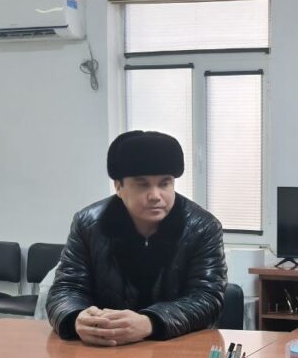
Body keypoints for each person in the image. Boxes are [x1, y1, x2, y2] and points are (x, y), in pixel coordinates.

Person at [46, 130, 227, 346]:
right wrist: (77, 318)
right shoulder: (88, 224)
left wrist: (150, 322)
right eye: (143, 185)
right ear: (118, 186)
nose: (155, 196)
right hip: (105, 347)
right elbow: (66, 288)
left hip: (177, 347)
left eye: (165, 184)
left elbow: (207, 298)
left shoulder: (203, 227)